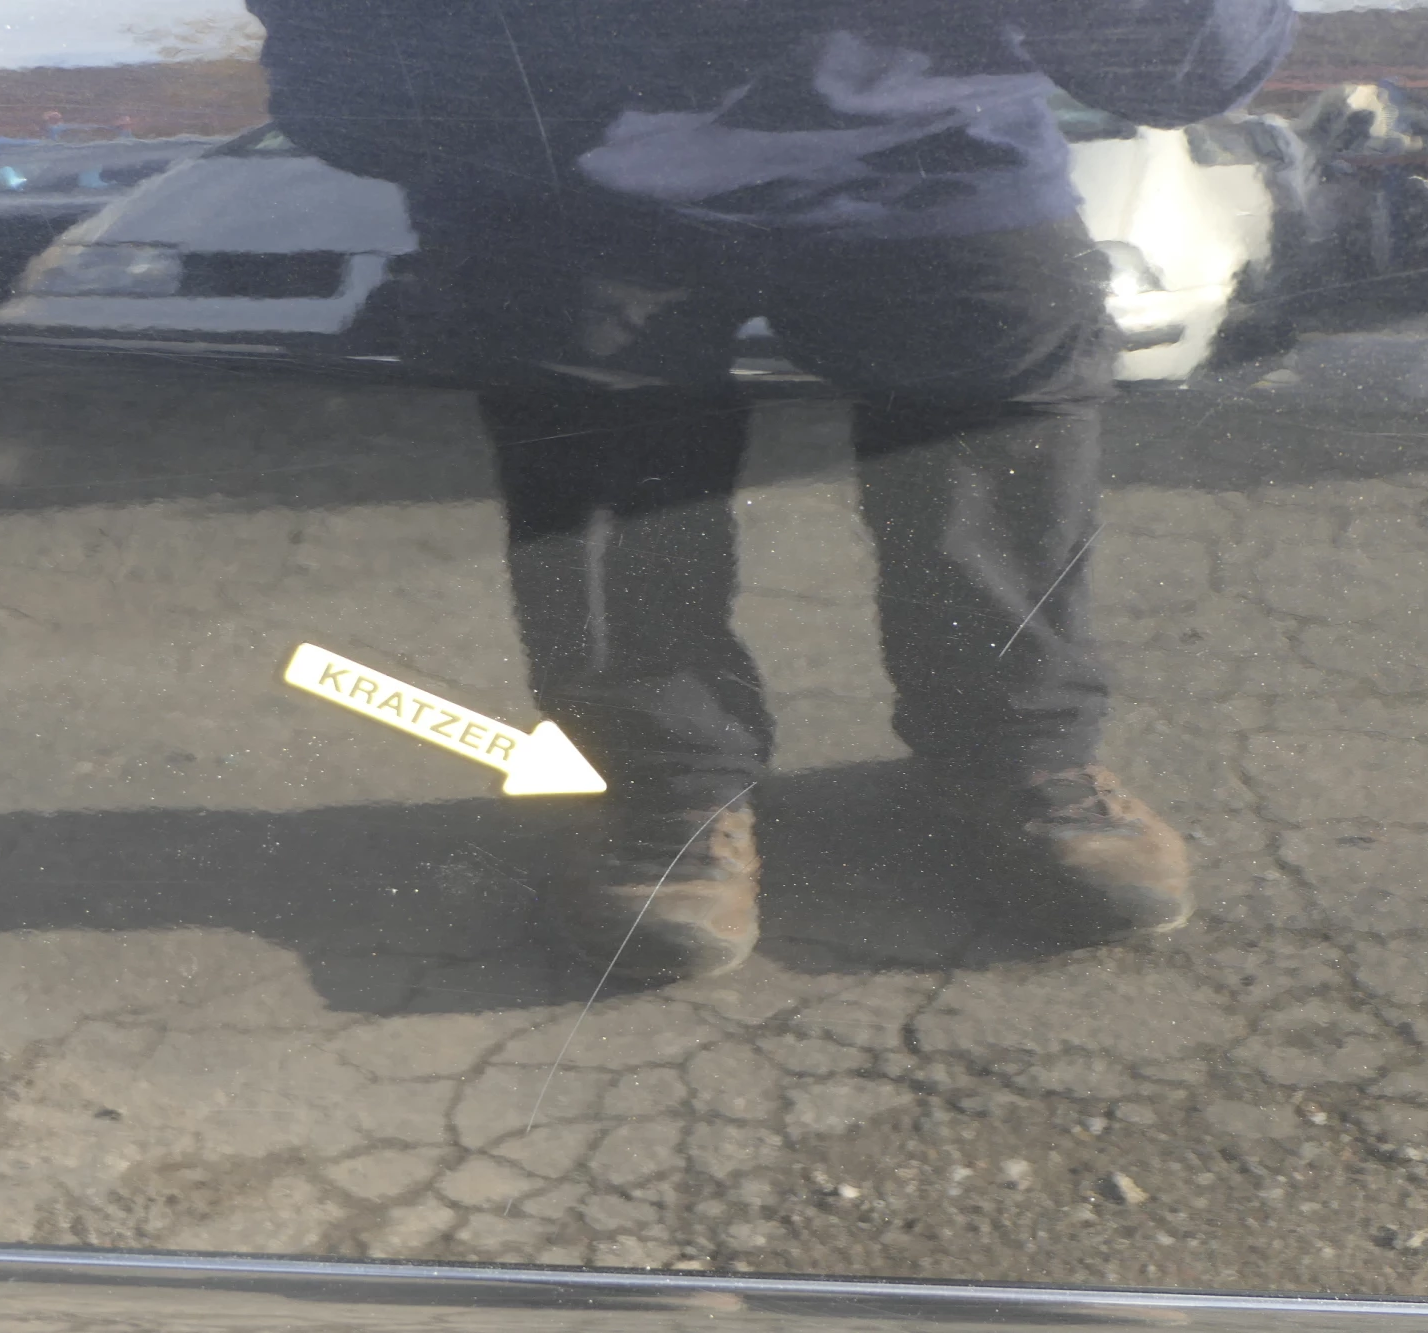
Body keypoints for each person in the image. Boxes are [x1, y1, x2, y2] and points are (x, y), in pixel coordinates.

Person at [253, 0, 1296, 981]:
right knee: (602, 471)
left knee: (996, 429)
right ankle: (665, 786)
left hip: (941, 155)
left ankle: (1016, 754)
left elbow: (1190, 67)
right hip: (559, 174)